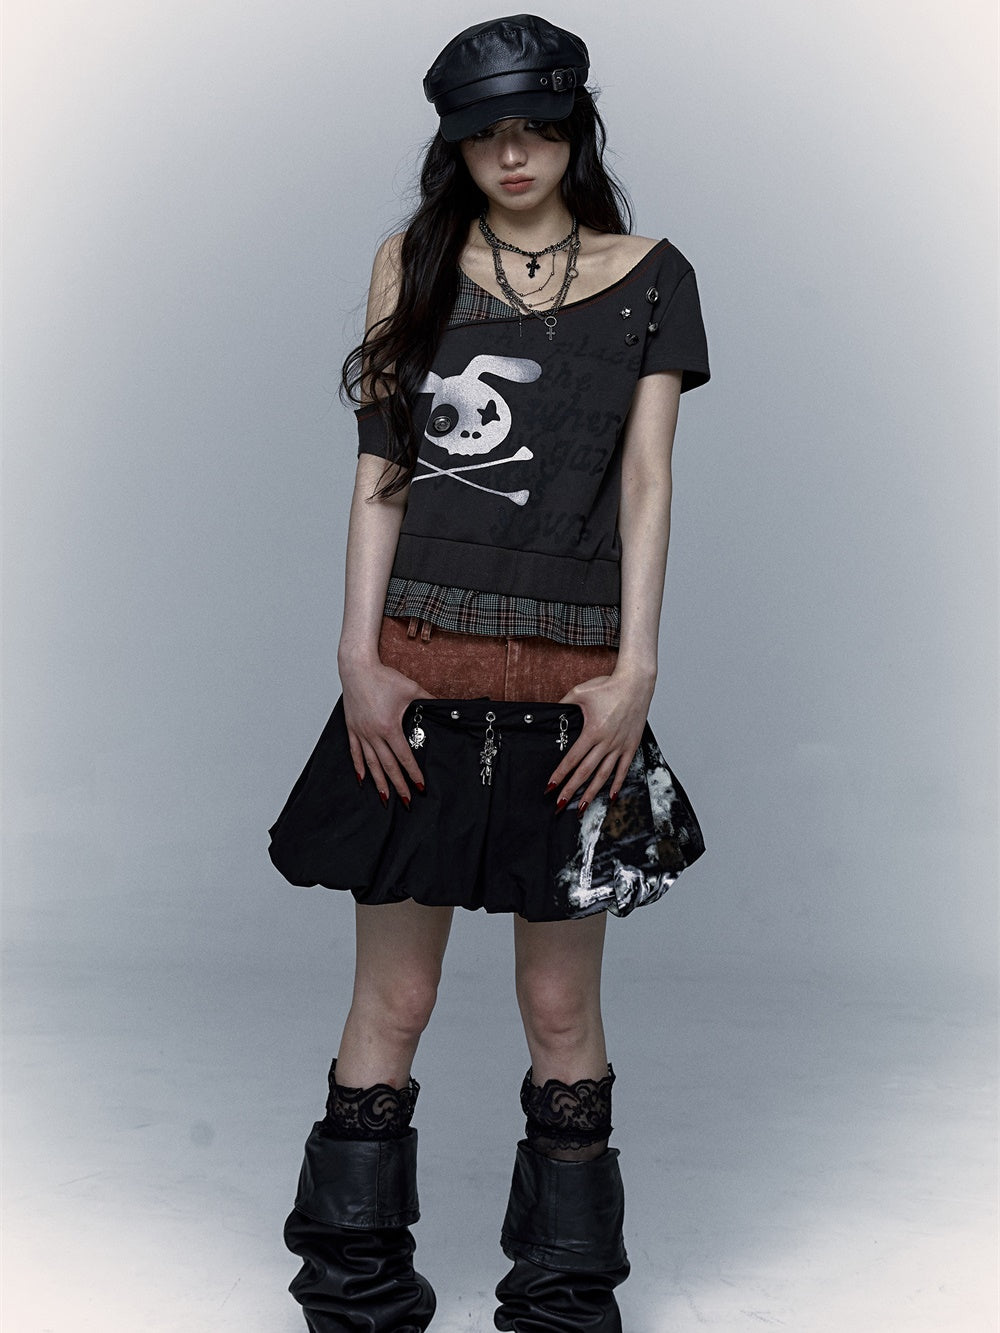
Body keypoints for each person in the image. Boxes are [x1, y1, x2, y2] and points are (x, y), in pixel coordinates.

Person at [268, 14, 710, 1331]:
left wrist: (635, 670)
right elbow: (383, 469)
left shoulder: (652, 276)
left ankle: (565, 1301)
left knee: (560, 1008)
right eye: (483, 135)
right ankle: (354, 1292)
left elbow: (646, 482)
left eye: (534, 129)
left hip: (574, 690)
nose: (511, 156)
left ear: (574, 127)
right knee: (394, 998)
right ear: (455, 144)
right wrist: (358, 657)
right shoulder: (411, 261)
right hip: (416, 674)